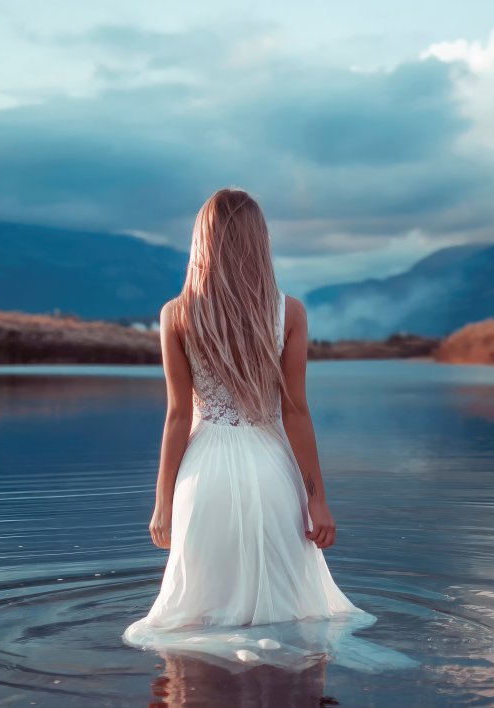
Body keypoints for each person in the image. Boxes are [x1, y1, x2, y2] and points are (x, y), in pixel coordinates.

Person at [123, 188, 386, 671]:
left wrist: (162, 502)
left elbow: (179, 416)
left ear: (202, 241)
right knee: (290, 611)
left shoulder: (176, 314)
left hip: (202, 479)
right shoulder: (289, 313)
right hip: (272, 473)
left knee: (197, 617)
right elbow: (296, 412)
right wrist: (317, 499)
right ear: (259, 241)